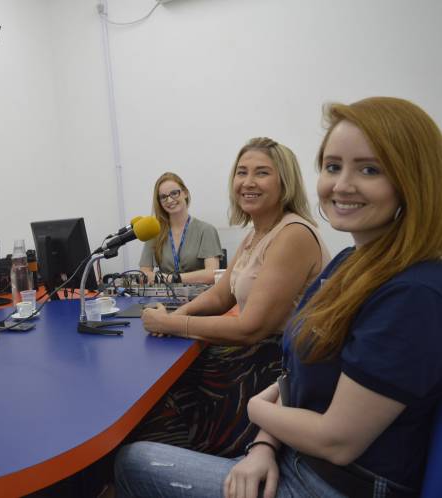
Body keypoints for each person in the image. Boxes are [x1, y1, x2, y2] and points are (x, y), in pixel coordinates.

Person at [116, 97, 442, 498]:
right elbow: (295, 372)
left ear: (414, 179)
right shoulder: (349, 262)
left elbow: (337, 440)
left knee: (135, 454)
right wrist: (264, 446)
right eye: (333, 167)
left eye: (369, 169)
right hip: (292, 451)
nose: (342, 185)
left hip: (326, 481)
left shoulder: (412, 293)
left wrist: (257, 411)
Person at [135, 138, 330, 457]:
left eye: (261, 173)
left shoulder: (293, 234)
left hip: (273, 368)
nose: (248, 182)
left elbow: (250, 328)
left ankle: (167, 469)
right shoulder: (255, 234)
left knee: (162, 403)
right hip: (254, 355)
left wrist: (171, 325)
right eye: (242, 172)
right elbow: (220, 296)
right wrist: (175, 315)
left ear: (285, 182)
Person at [139, 172, 222, 284]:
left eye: (174, 193)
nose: (169, 200)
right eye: (163, 197)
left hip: (201, 294)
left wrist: (172, 279)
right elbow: (143, 275)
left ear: (185, 193)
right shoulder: (154, 231)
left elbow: (212, 274)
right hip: (165, 295)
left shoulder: (206, 230)